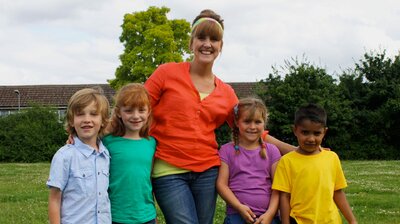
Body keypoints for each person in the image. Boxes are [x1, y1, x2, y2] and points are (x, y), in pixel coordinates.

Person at [144, 9, 294, 224]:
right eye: (201, 37)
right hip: (168, 169)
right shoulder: (166, 73)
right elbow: (135, 108)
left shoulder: (226, 92)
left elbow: (250, 129)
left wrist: (297, 151)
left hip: (207, 172)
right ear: (191, 43)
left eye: (214, 39)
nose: (207, 43)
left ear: (220, 46)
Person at [272, 104, 357, 224]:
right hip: (299, 220)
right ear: (295, 130)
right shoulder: (286, 161)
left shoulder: (332, 158)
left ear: (324, 132)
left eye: (317, 133)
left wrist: (352, 220)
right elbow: (284, 197)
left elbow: (337, 192)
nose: (311, 139)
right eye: (305, 132)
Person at [47, 87, 111, 223]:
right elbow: (54, 199)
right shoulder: (64, 156)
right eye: (80, 114)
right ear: (71, 120)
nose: (87, 119)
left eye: (94, 114)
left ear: (103, 121)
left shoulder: (106, 155)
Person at [217, 98, 281, 224]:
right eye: (247, 121)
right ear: (236, 122)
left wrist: (270, 213)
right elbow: (221, 185)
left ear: (264, 123)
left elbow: (278, 187)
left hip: (267, 217)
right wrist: (239, 207)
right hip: (236, 215)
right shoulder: (226, 150)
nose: (252, 127)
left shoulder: (272, 151)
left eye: (258, 122)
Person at [102, 83, 157, 224]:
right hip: (116, 215)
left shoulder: (151, 143)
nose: (136, 116)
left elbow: (148, 179)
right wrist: (73, 138)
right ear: (119, 112)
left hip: (146, 215)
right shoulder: (106, 142)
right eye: (129, 111)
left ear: (149, 111)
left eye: (141, 110)